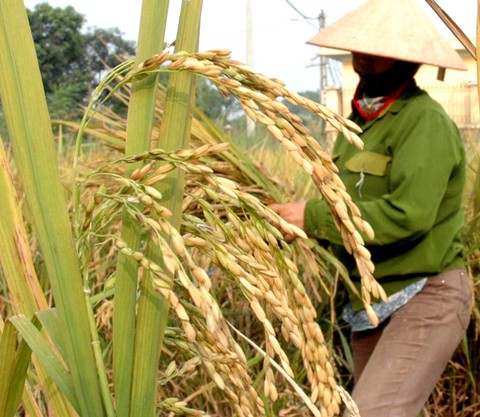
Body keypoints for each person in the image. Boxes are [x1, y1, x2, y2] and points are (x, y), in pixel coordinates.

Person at [268, 0, 473, 416]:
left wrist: (313, 218)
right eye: (361, 48)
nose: (366, 58)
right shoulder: (355, 126)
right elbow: (344, 212)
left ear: (408, 61)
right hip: (368, 303)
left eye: (380, 51)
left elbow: (409, 215)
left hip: (426, 294)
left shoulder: (424, 121)